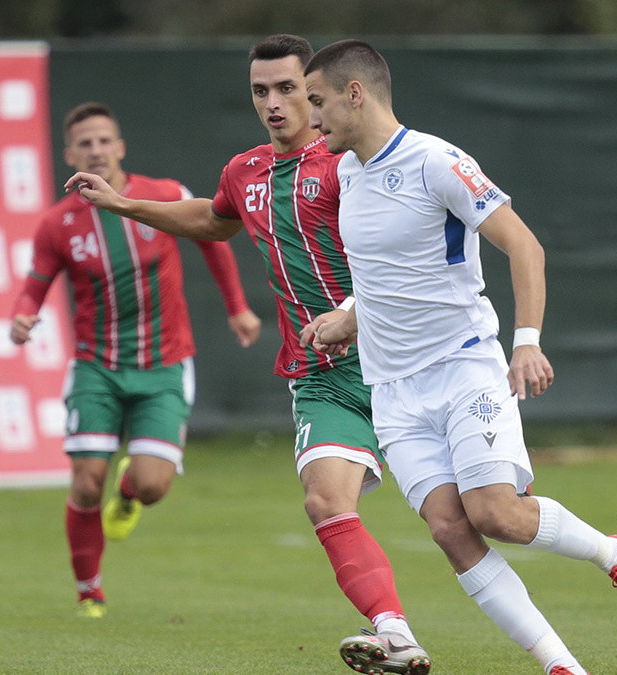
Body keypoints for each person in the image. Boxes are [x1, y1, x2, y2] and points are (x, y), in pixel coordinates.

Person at [301, 40, 617, 675]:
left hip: (463, 366)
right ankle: (562, 667)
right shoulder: (346, 174)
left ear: (354, 93)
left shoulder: (436, 160)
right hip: (392, 391)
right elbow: (388, 274)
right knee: (451, 528)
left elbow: (525, 246)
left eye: (318, 102)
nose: (313, 119)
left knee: (495, 513)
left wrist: (527, 342)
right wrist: (349, 316)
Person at [65, 36, 431, 675]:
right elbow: (213, 220)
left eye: (288, 88)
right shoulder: (246, 171)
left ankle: (610, 557)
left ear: (315, 88)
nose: (273, 102)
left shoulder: (355, 161)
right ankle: (396, 634)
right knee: (325, 503)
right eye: (260, 91)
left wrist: (355, 313)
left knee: (481, 516)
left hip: (404, 361)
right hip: (323, 376)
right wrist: (123, 203)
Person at [10, 102, 261, 619]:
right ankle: (89, 591)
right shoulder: (58, 225)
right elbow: (35, 283)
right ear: (69, 155)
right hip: (96, 367)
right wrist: (22, 316)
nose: (96, 150)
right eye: (85, 143)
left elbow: (213, 238)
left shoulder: (165, 196)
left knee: (151, 486)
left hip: (164, 364)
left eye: (104, 140)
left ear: (120, 147)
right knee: (84, 483)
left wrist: (237, 307)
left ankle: (128, 493)